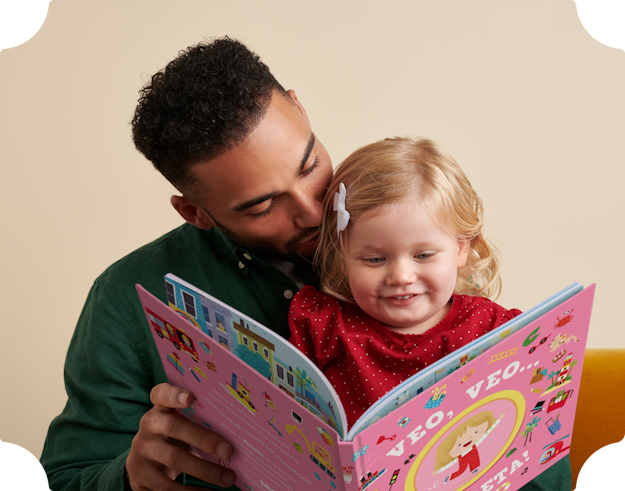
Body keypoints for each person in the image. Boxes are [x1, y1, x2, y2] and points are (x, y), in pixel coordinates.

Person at [40, 39, 571, 491]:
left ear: (300, 107)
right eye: (262, 205)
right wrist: (130, 475)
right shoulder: (126, 296)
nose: (315, 211)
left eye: (310, 163)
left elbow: (533, 436)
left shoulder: (406, 227)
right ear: (195, 212)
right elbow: (66, 477)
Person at [288, 137, 522, 427]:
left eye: (423, 255)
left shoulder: (492, 330)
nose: (400, 277)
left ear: (461, 248)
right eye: (375, 259)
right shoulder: (322, 328)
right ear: (344, 255)